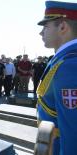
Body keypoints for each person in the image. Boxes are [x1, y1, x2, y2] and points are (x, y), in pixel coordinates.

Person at [37, 1, 77, 154]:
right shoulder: (63, 59)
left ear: (62, 27)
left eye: (46, 26)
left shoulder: (70, 65)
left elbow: (72, 134)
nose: (41, 33)